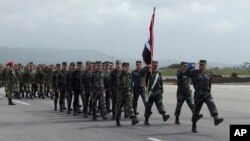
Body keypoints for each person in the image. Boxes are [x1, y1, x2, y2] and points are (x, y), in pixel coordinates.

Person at [188, 60, 223, 133]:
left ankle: (216, 119)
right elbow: (186, 73)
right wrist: (189, 68)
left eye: (203, 65)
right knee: (196, 111)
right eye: (200, 65)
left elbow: (209, 84)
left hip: (207, 94)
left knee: (212, 104)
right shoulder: (194, 72)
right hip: (198, 95)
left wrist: (209, 91)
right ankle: (193, 126)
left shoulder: (208, 74)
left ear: (206, 66)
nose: (202, 66)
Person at [142, 61, 170, 125]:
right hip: (149, 94)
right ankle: (146, 120)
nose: (156, 66)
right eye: (154, 65)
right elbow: (142, 73)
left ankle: (164, 116)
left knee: (160, 104)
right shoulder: (148, 73)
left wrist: (161, 91)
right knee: (148, 107)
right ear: (152, 66)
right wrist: (147, 67)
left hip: (157, 93)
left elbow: (161, 83)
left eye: (156, 65)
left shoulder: (158, 74)